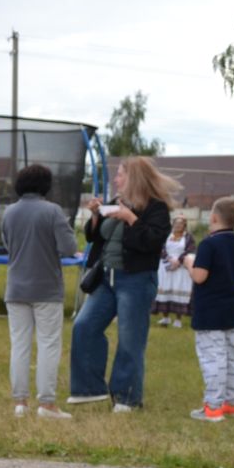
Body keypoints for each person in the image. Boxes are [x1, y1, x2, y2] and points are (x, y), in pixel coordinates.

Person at [67, 156, 178, 412]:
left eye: (120, 174)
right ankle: (89, 389)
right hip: (106, 278)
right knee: (84, 327)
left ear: (134, 179)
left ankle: (127, 399)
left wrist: (131, 218)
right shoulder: (115, 203)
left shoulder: (156, 209)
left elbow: (151, 242)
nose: (116, 179)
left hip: (136, 280)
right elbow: (95, 237)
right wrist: (95, 216)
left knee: (130, 340)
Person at [1, 164, 77, 417]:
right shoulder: (53, 211)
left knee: (19, 345)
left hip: (16, 287)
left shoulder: (9, 212)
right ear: (46, 185)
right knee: (48, 344)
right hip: (47, 288)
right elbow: (68, 248)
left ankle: (20, 402)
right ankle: (47, 403)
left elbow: (7, 244)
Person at [185, 195, 234, 421]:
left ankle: (213, 406)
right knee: (230, 356)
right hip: (231, 309)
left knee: (213, 358)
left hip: (209, 311)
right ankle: (233, 402)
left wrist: (188, 263)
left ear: (213, 217)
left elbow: (200, 277)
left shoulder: (209, 244)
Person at [153, 213, 195, 327]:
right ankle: (165, 317)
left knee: (178, 290)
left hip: (180, 268)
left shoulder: (188, 237)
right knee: (165, 289)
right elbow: (160, 247)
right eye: (176, 223)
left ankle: (178, 319)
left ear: (184, 225)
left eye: (180, 224)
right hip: (166, 266)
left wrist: (179, 261)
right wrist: (169, 259)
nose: (178, 226)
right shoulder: (167, 235)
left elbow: (190, 250)